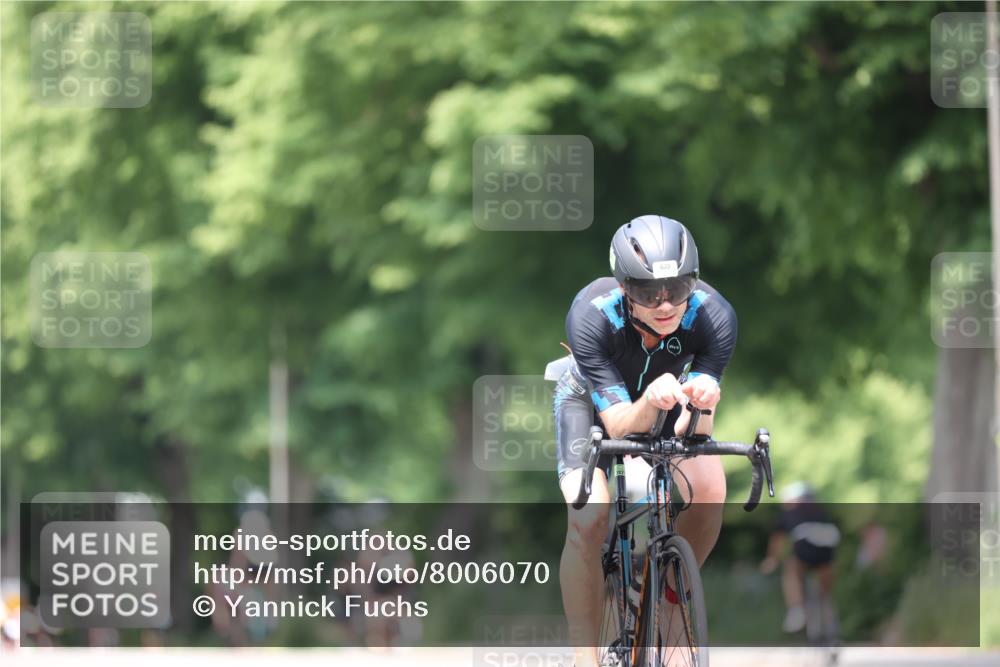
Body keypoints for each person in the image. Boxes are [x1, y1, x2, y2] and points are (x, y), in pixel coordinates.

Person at [554, 215, 737, 667]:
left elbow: (692, 436)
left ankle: (672, 596)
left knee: (711, 487)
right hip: (593, 405)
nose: (663, 304)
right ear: (622, 287)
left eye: (676, 289)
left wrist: (702, 407)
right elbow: (619, 425)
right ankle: (586, 659)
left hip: (669, 396)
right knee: (589, 517)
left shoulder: (714, 317)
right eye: (645, 291)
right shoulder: (591, 315)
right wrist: (652, 402)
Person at [760, 481, 840, 634]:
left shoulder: (790, 513)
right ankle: (830, 623)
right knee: (825, 591)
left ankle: (797, 610)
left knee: (791, 570)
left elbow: (778, 539)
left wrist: (772, 560)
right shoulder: (821, 510)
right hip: (828, 544)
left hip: (806, 543)